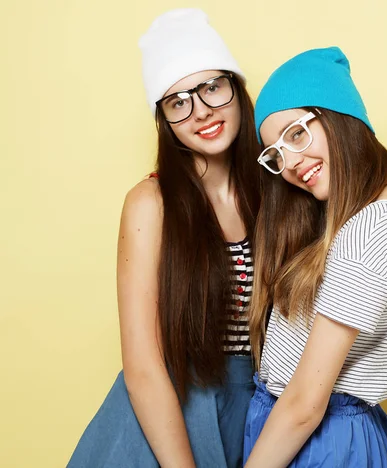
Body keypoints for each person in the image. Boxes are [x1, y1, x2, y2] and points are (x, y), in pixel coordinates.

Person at [67, 9, 260, 467]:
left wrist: (354, 164)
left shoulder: (279, 187)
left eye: (212, 86)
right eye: (178, 102)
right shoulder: (150, 203)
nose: (202, 111)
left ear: (237, 87)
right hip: (167, 415)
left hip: (255, 408)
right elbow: (143, 366)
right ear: (165, 120)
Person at [244, 47, 387, 467]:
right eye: (275, 153)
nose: (290, 163)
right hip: (314, 431)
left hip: (317, 436)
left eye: (296, 133)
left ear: (340, 119)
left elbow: (307, 403)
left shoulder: (367, 233)